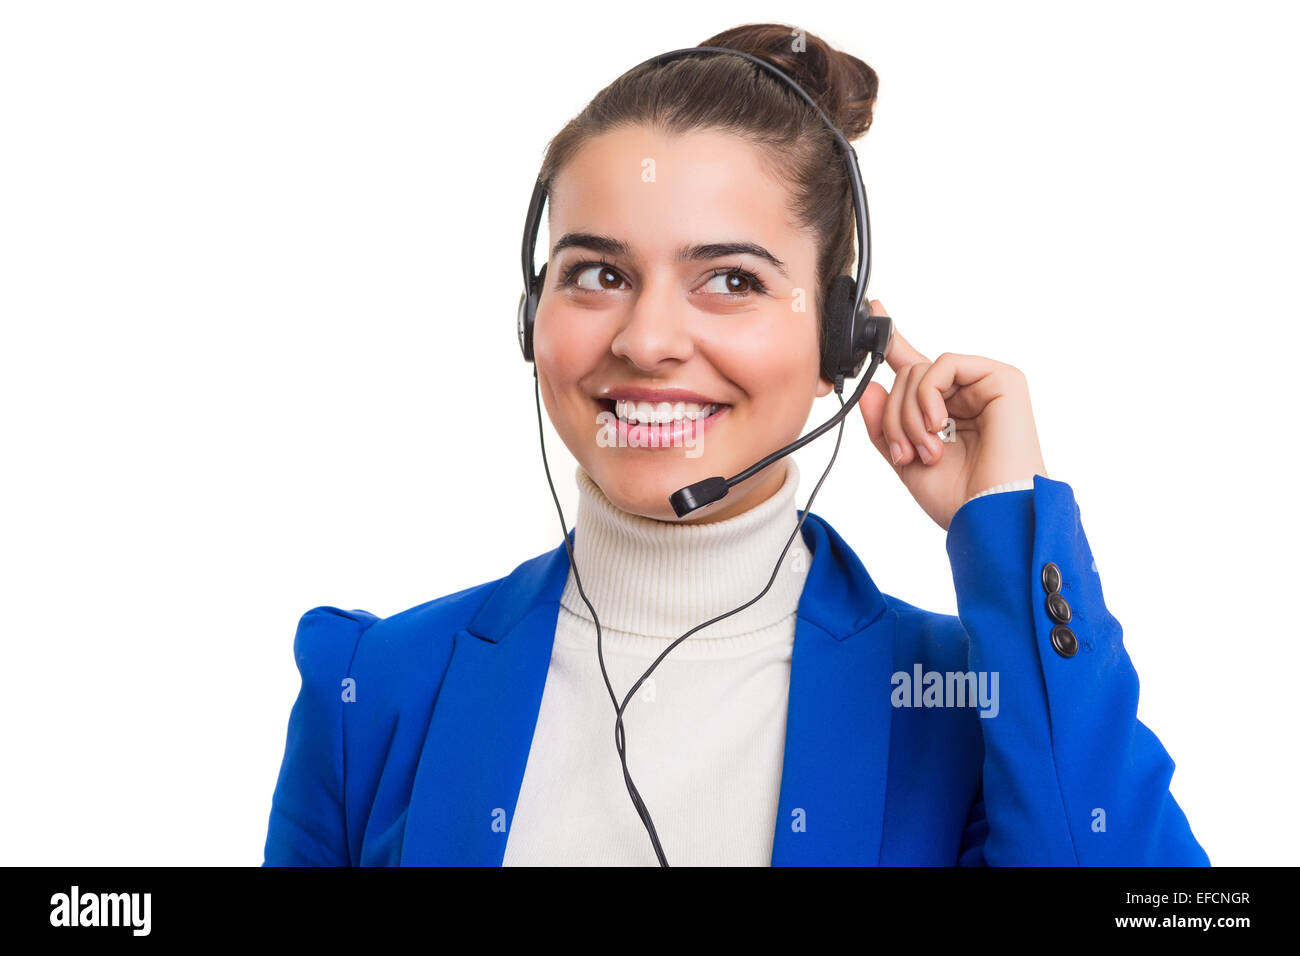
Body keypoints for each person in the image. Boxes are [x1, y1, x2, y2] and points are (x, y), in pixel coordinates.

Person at [262, 22, 1209, 866]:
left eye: (731, 282)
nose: (647, 340)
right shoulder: (376, 690)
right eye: (597, 272)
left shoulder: (963, 705)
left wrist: (1005, 528)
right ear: (532, 312)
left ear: (842, 339)